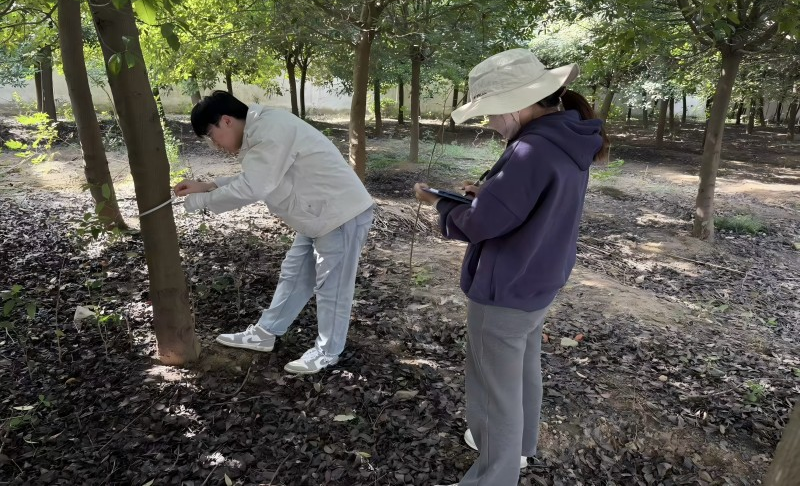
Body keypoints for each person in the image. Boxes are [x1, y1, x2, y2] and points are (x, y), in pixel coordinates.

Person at [417, 48, 609, 486]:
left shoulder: (532, 149)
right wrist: (485, 192)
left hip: (506, 285)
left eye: (490, 113)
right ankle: (520, 447)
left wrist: (441, 204)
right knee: (521, 370)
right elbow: (526, 204)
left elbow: (482, 224)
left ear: (517, 104)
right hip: (539, 278)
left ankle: (494, 475)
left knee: (492, 391)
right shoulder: (568, 138)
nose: (488, 123)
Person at [174, 91, 374, 375]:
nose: (213, 145)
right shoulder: (261, 132)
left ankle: (328, 351)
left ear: (226, 121)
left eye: (210, 135)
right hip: (316, 213)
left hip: (339, 214)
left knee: (333, 288)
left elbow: (254, 187)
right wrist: (209, 186)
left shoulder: (270, 130)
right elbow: (257, 176)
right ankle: (265, 333)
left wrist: (201, 202)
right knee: (294, 274)